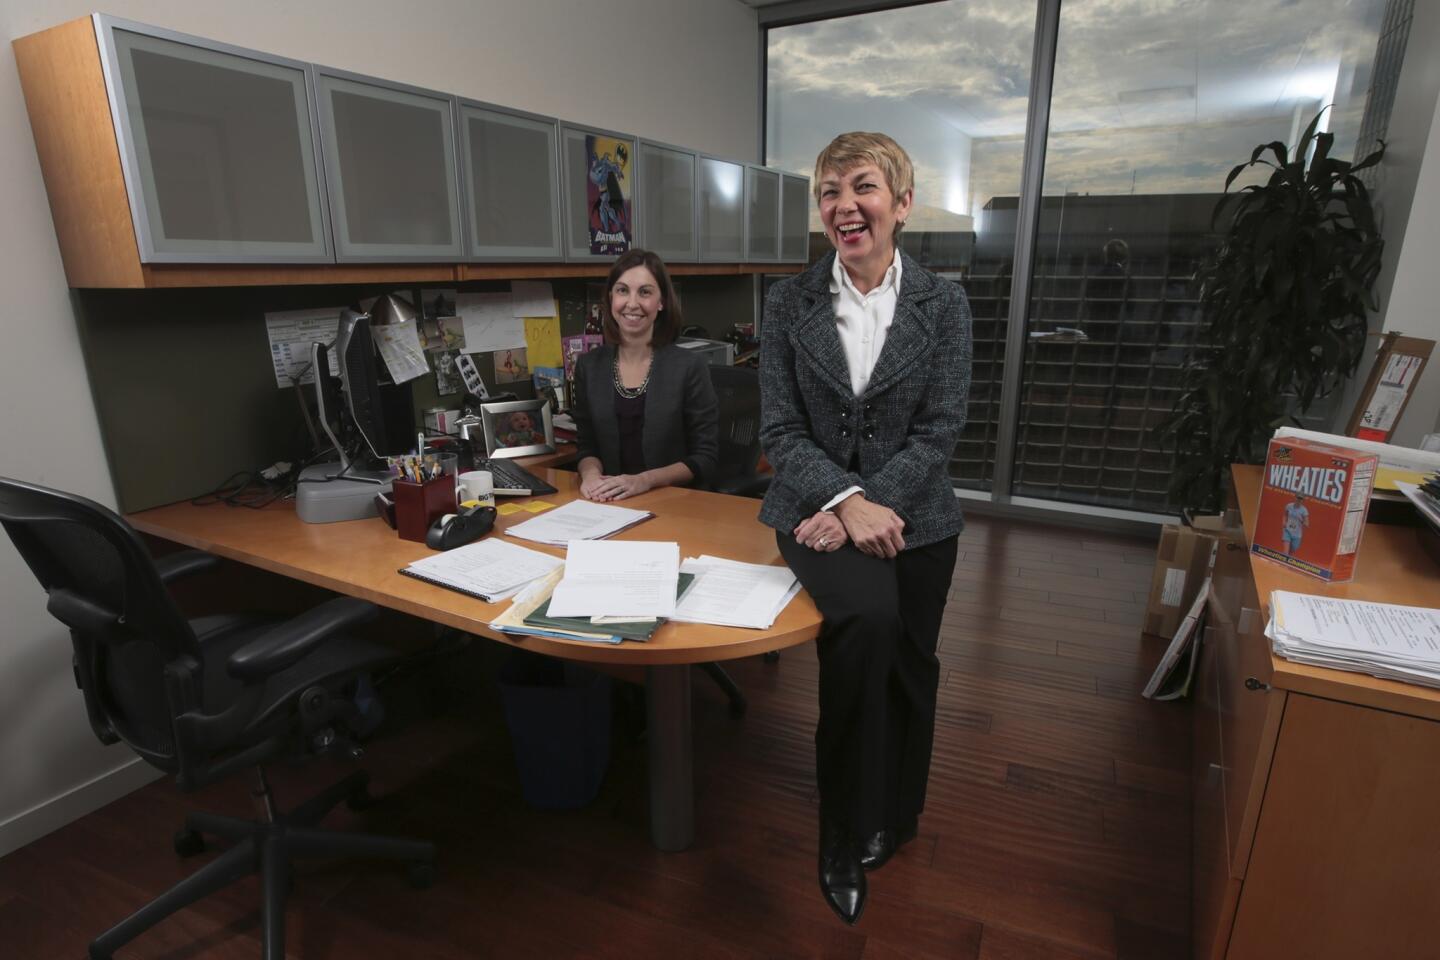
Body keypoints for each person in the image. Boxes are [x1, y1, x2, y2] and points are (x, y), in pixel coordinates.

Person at [758, 132, 972, 925]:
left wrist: (874, 503)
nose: (845, 205)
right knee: (865, 627)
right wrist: (847, 505)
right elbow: (780, 432)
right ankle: (842, 833)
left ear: (901, 204)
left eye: (863, 187)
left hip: (920, 513)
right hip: (811, 510)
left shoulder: (943, 304)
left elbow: (940, 429)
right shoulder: (789, 302)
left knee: (914, 667)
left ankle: (897, 813)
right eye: (828, 193)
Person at [573, 249, 718, 501]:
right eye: (622, 290)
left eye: (645, 292)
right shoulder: (589, 366)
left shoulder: (689, 367)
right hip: (609, 502)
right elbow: (587, 446)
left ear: (661, 302)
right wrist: (591, 475)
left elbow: (705, 457)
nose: (632, 303)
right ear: (610, 298)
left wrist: (644, 481)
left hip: (674, 502)